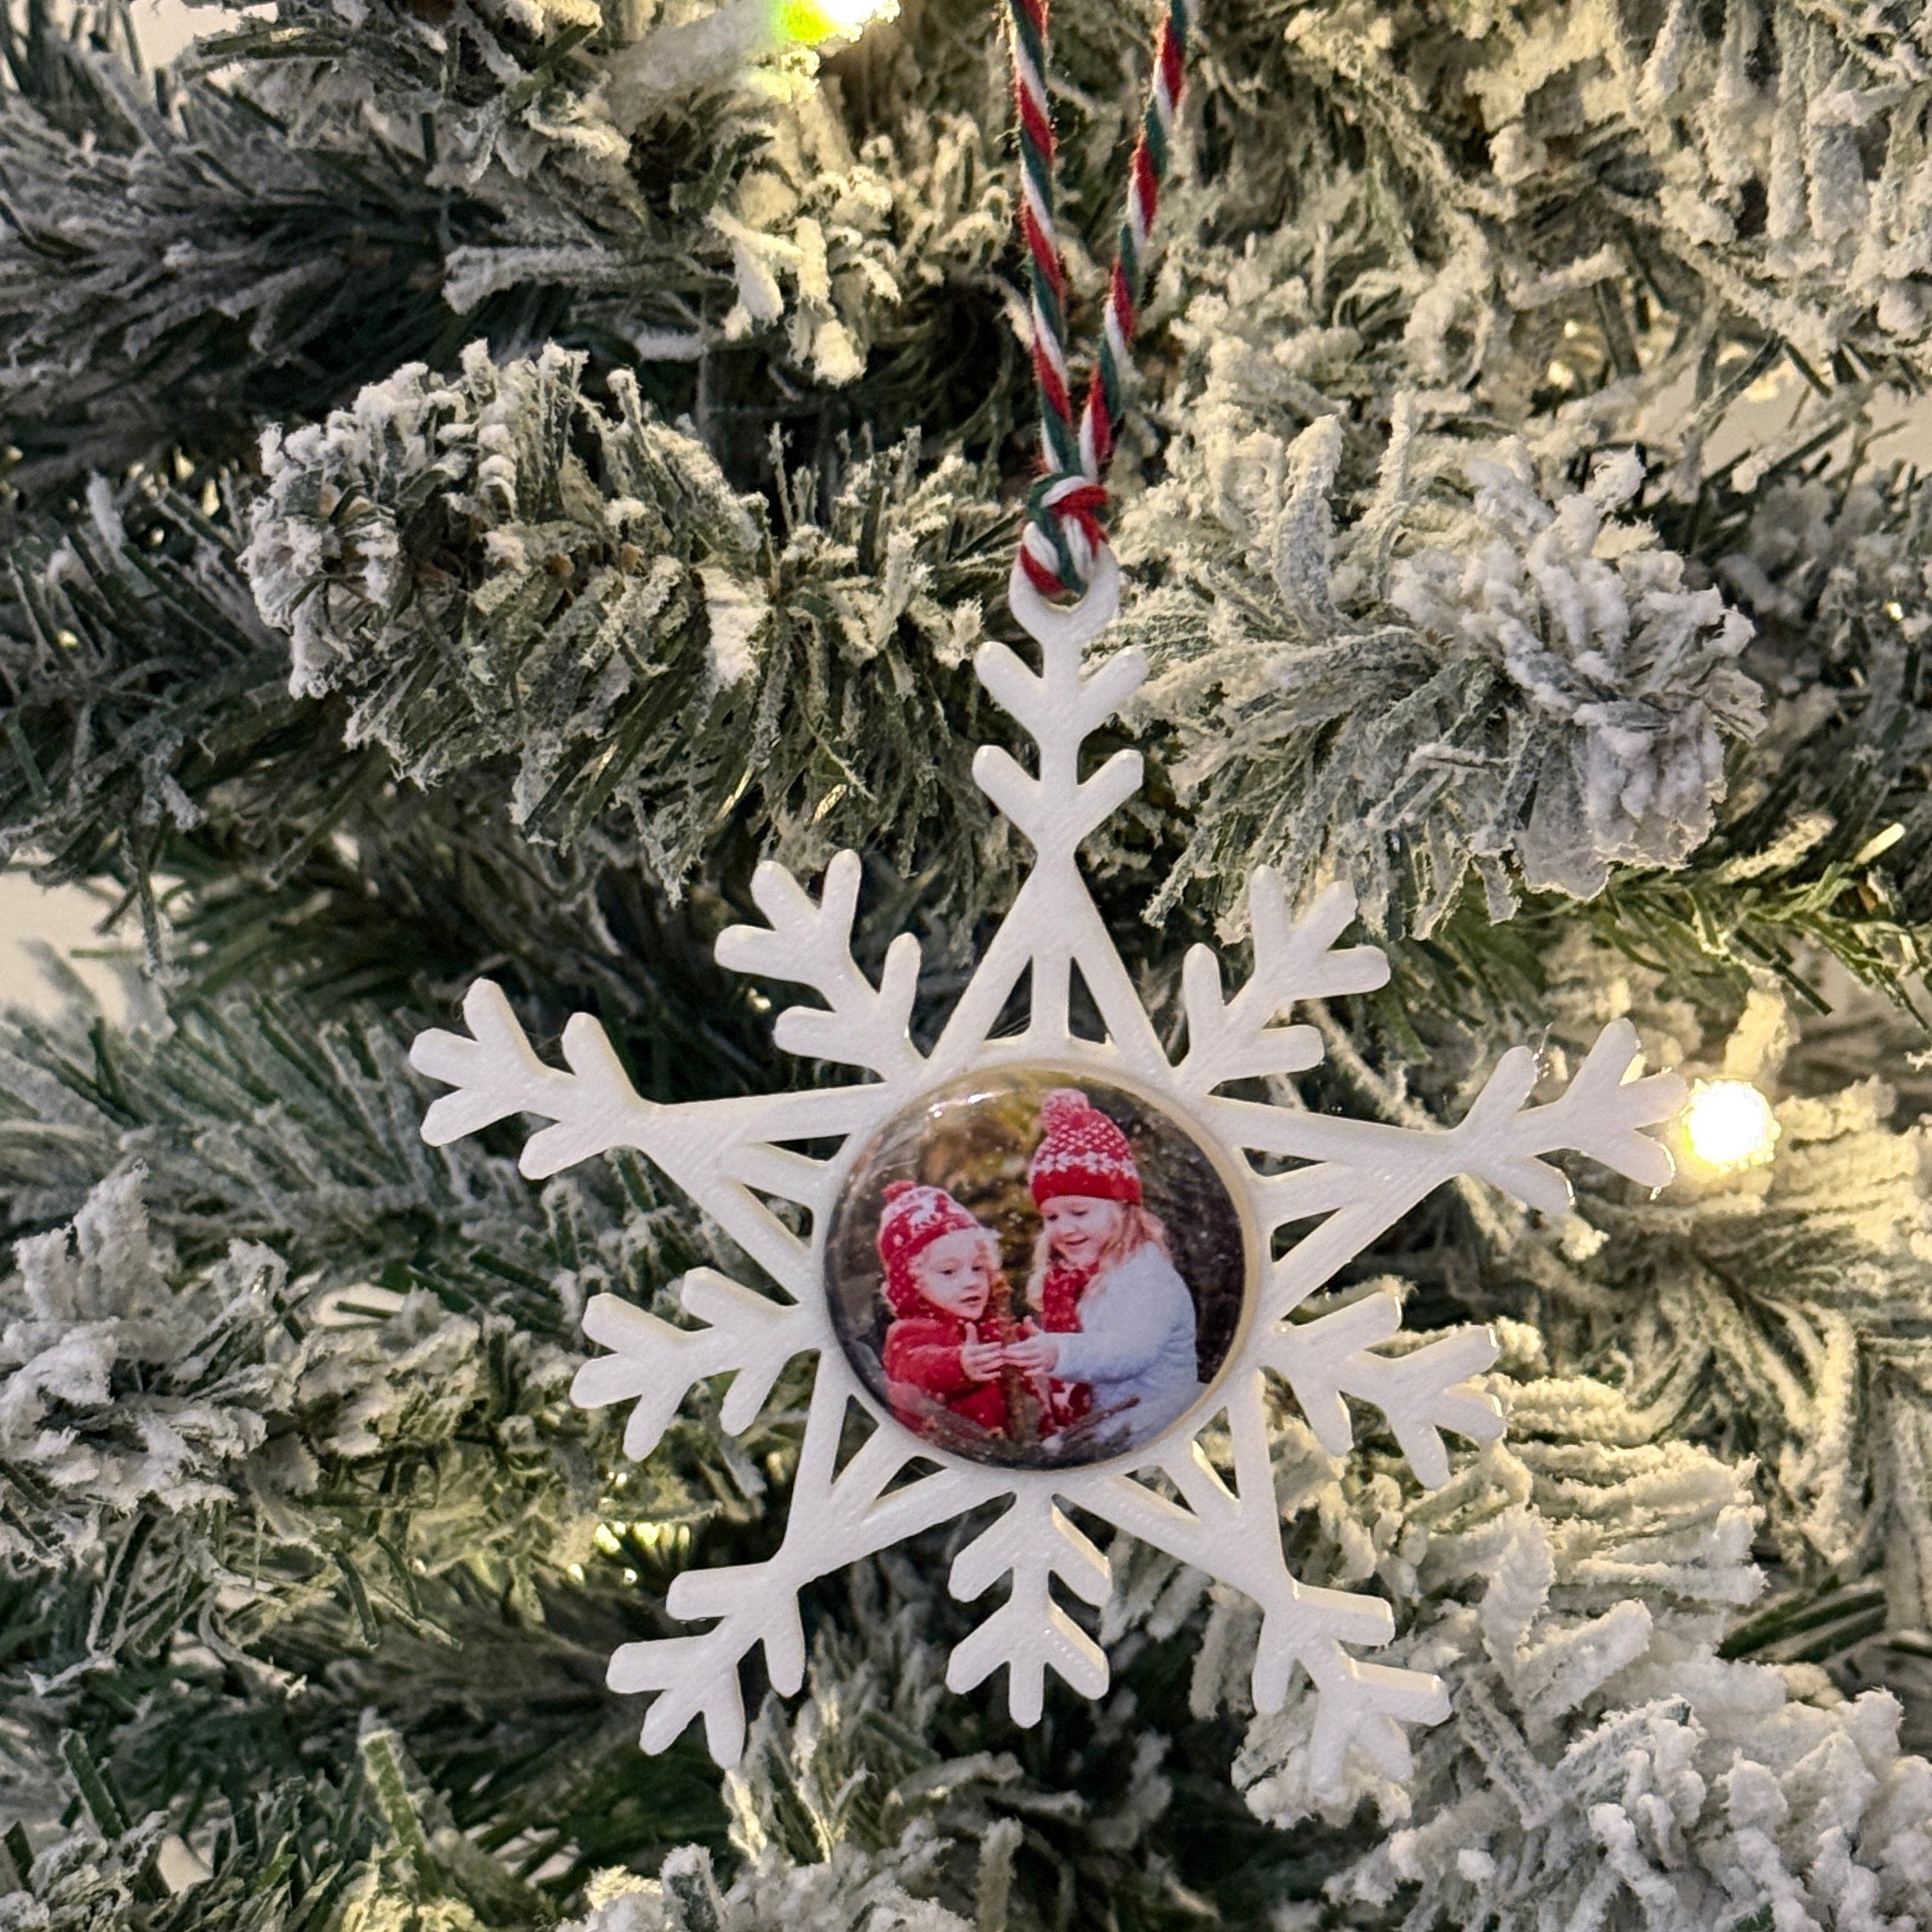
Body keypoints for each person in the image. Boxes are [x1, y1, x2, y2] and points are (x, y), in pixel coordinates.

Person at [1004, 1089, 1204, 1448]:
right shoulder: (1078, 1278)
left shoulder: (1146, 1277)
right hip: (1112, 1427)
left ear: (1122, 1209)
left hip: (1158, 1430)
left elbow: (1127, 1352)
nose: (1064, 1229)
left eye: (1079, 1212)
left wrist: (1058, 1352)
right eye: (1051, 1217)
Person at [875, 1179, 1017, 1441]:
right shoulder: (908, 1333)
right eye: (949, 1272)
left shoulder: (991, 1325)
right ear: (912, 1280)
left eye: (978, 1268)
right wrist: (958, 1365)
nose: (971, 1281)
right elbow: (917, 1367)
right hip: (950, 1460)